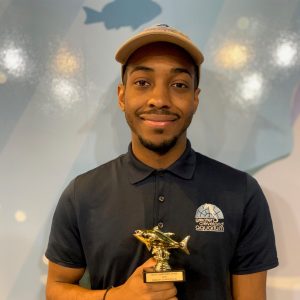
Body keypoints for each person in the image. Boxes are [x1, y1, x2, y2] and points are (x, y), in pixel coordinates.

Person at [45, 24, 278, 300]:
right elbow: (55, 290)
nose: (159, 99)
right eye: (143, 82)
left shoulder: (242, 192)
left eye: (178, 85)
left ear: (195, 98)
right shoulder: (81, 193)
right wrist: (117, 298)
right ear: (122, 96)